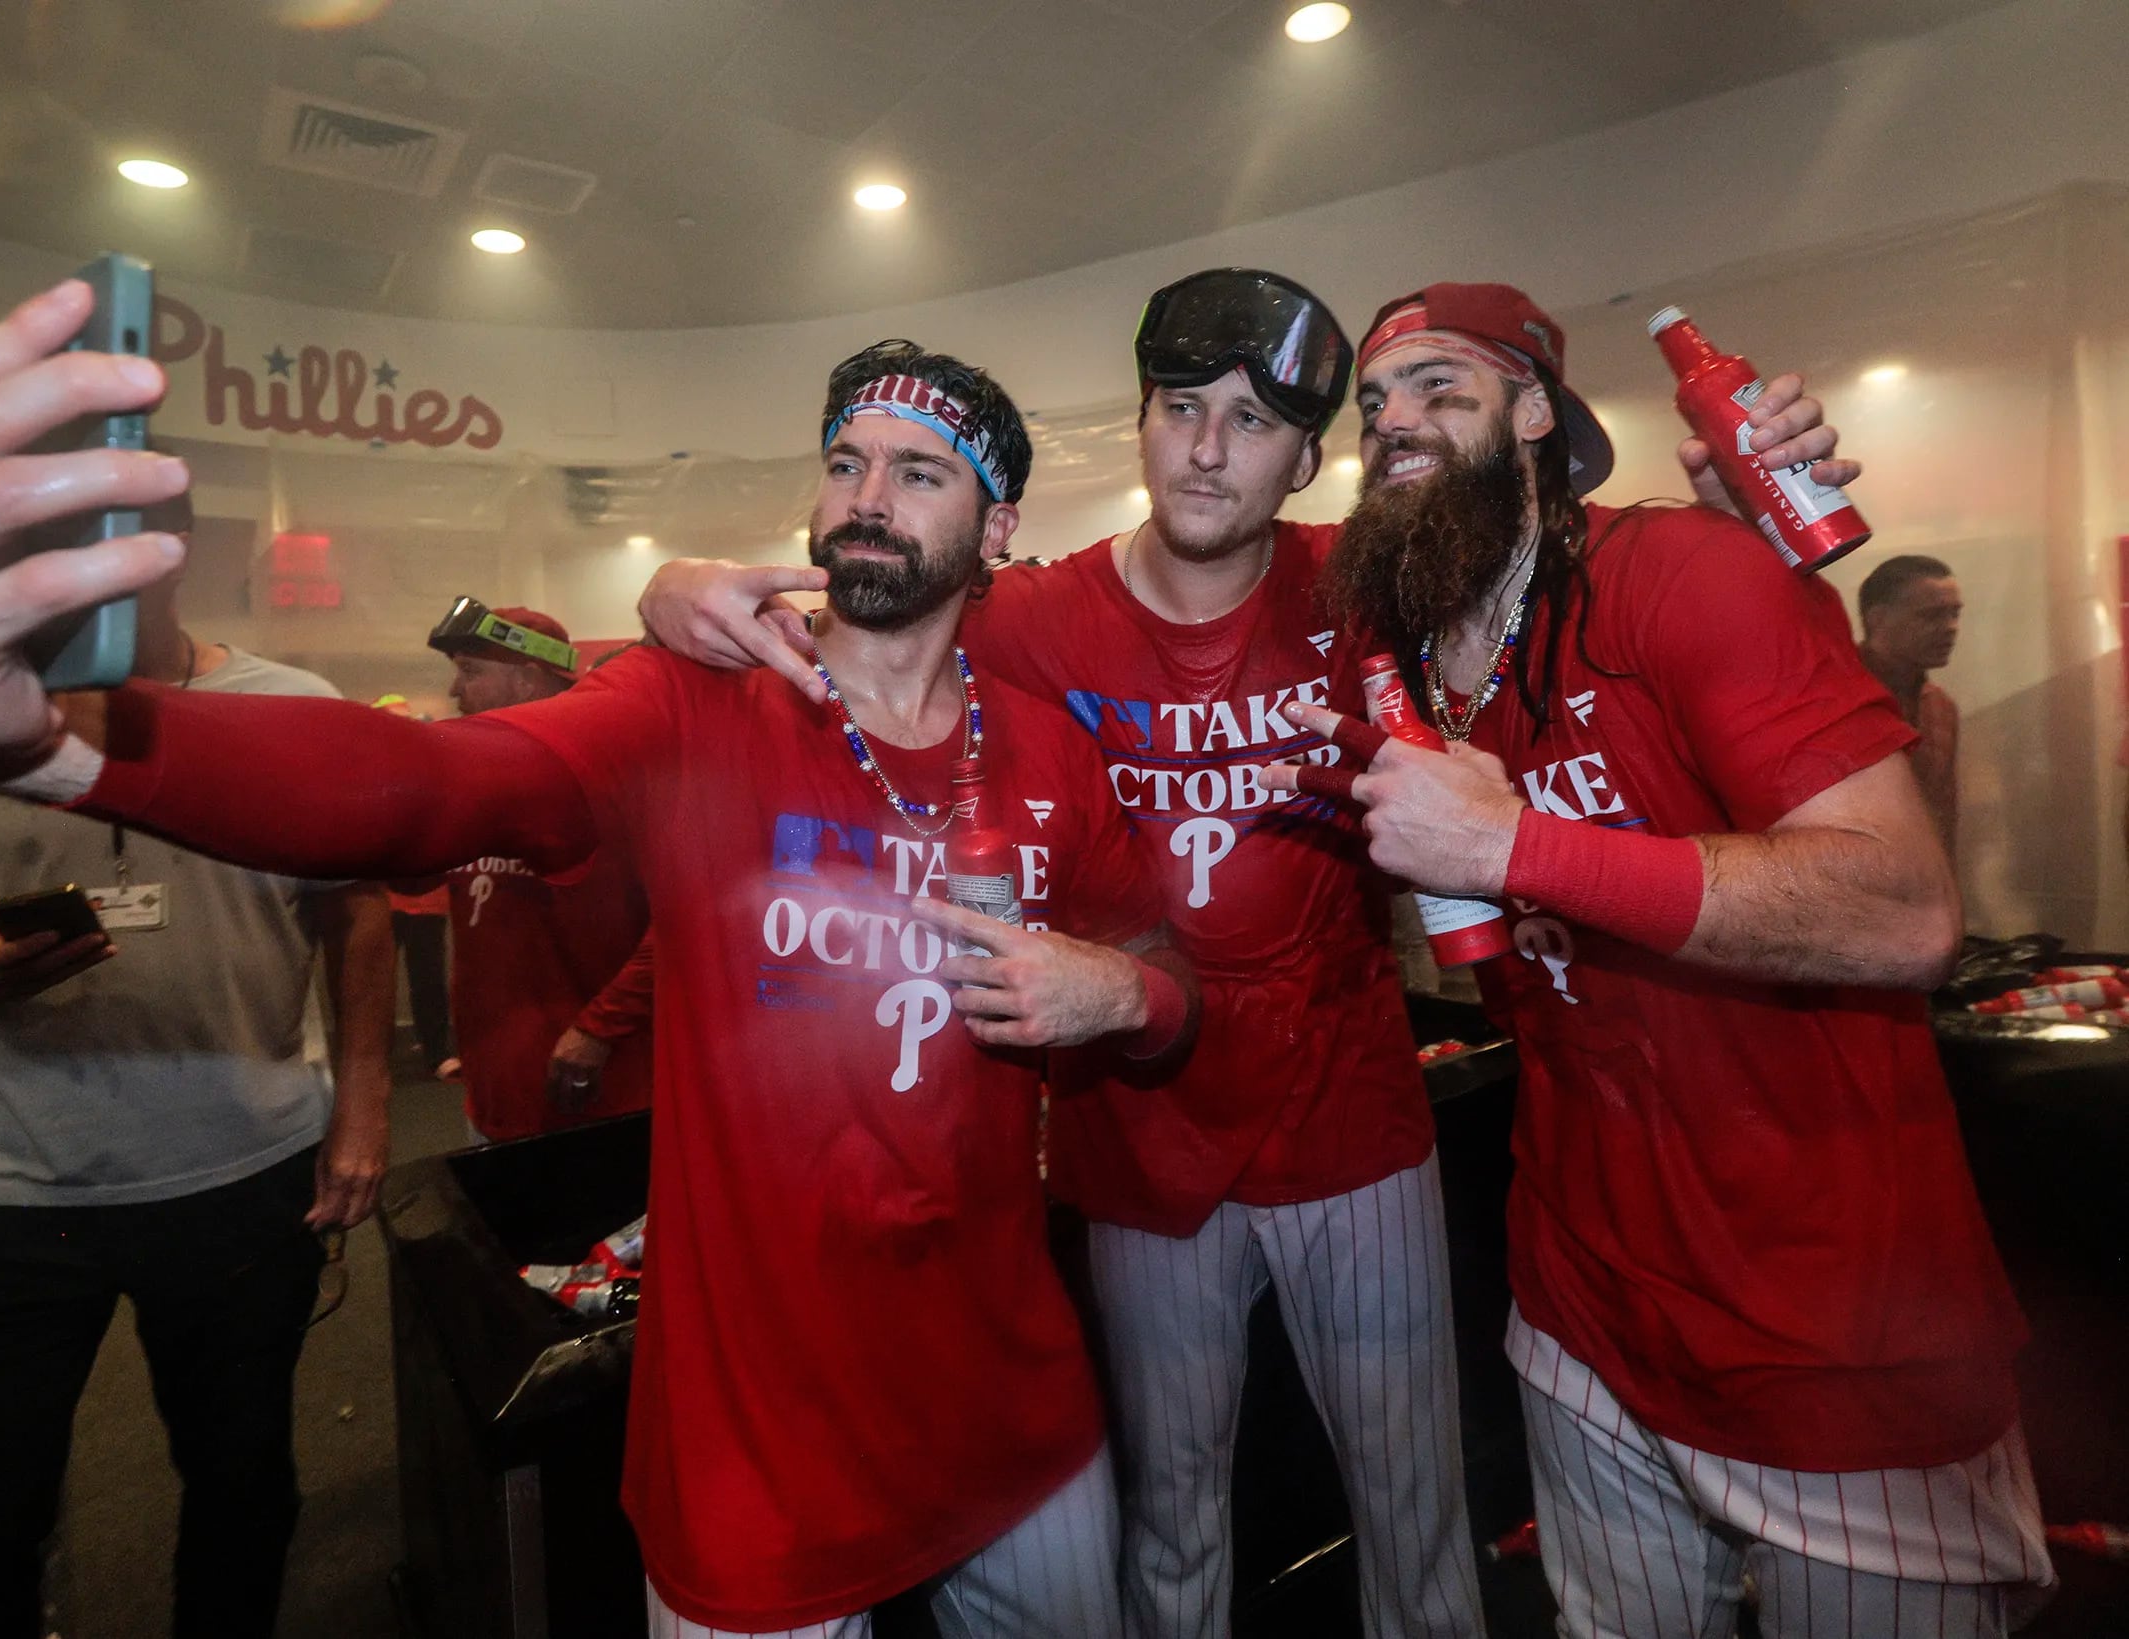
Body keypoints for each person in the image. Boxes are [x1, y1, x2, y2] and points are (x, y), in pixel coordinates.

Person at [0, 284, 1204, 1638]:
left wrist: (1121, 988)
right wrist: (61, 738)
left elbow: (1165, 991)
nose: (866, 498)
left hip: (1012, 1406)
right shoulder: (694, 702)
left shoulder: (1047, 755)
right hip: (763, 1440)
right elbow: (422, 785)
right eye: (844, 461)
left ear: (999, 524)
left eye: (919, 472)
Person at [638, 268, 1849, 1639]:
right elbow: (871, 620)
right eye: (1181, 406)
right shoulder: (1025, 615)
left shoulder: (1374, 578)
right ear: (1142, 420)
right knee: (1170, 1528)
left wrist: (1750, 520)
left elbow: (1553, 581)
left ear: (1304, 455)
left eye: (1257, 419)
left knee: (1415, 1511)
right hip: (1141, 1140)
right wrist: (670, 591)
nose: (1210, 447)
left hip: (1351, 1121)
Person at [1271, 282, 2048, 1636]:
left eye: (1441, 387)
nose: (1394, 420)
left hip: (1827, 1325)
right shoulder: (1417, 668)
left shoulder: (1684, 571)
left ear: (1534, 417)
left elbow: (1906, 911)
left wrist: (1517, 846)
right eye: (1376, 403)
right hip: (1581, 1310)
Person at [0, 491, 396, 1639]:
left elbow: (359, 916)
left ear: (171, 548)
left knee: (242, 1488)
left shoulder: (292, 711)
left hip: (241, 1163)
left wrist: (363, 1116)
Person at [427, 603, 656, 1142]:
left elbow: (686, 926)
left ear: (530, 680)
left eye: (472, 672)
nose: (456, 691)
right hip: (494, 1090)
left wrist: (596, 1031)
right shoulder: (473, 782)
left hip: (598, 1096)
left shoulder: (615, 777)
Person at [372, 695, 460, 1080]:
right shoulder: (368, 779)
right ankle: (371, 1057)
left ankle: (436, 1048)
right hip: (381, 898)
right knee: (371, 980)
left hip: (428, 897)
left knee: (428, 977)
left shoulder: (433, 776)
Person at [1855, 554, 1963, 853]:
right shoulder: (1839, 700)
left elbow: (1943, 818)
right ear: (1877, 619)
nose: (1951, 627)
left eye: (1955, 614)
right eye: (1931, 615)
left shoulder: (1939, 707)